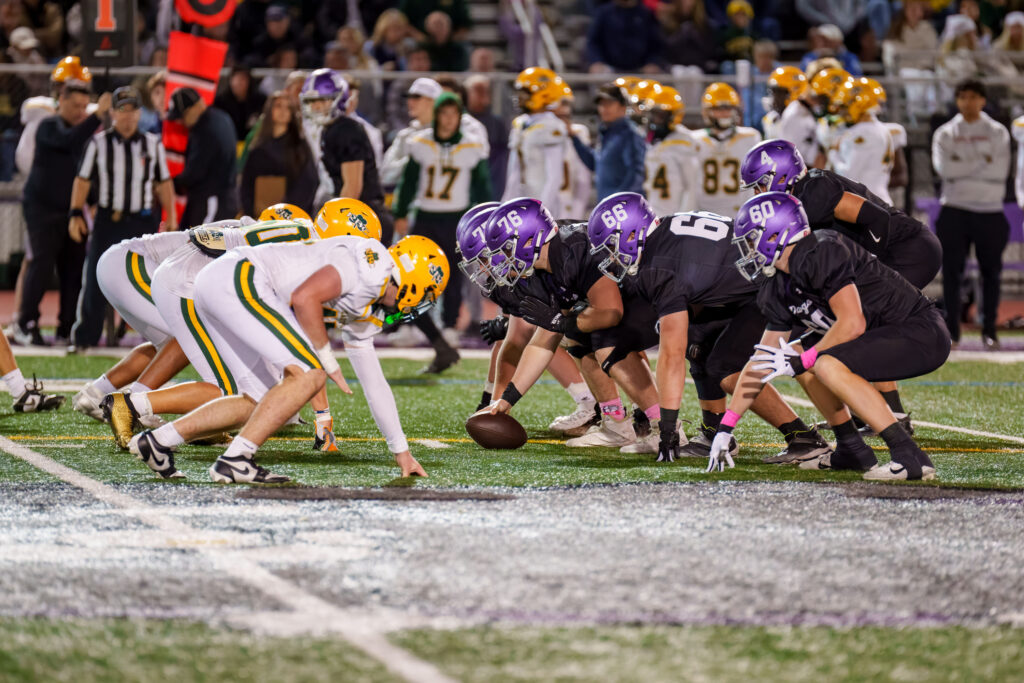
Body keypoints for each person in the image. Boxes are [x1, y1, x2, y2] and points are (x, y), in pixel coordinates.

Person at [130, 232, 449, 483]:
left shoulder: (369, 301)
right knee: (311, 374)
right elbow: (304, 298)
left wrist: (401, 451)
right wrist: (326, 359)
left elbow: (374, 384)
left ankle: (158, 441)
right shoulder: (374, 267)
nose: (419, 305)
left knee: (259, 397)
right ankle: (236, 460)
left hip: (223, 282)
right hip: (240, 278)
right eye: (426, 294)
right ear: (414, 279)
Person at [705, 192, 950, 481]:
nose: (747, 251)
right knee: (800, 351)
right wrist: (726, 427)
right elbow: (762, 359)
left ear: (773, 235)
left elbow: (852, 322)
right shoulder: (779, 285)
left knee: (821, 362)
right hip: (885, 335)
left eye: (749, 240)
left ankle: (909, 456)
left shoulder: (822, 249)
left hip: (919, 331)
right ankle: (851, 447)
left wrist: (803, 361)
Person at [585, 192, 832, 463]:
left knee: (726, 367)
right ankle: (713, 431)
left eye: (610, 246)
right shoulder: (662, 236)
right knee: (698, 340)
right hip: (752, 287)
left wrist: (668, 428)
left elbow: (670, 356)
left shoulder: (659, 266)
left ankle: (803, 438)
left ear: (632, 235)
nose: (609, 258)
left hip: (781, 289)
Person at [740, 138, 943, 430]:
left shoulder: (814, 190)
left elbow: (877, 219)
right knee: (853, 321)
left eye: (761, 184)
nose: (758, 193)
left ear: (782, 176)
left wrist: (871, 267)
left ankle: (891, 413)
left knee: (862, 319)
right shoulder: (796, 199)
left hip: (909, 249)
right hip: (896, 249)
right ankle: (883, 410)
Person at [456, 203, 599, 435]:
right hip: (583, 305)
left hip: (614, 298)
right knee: (542, 329)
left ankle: (602, 407)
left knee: (580, 332)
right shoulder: (513, 274)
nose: (482, 268)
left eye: (484, 258)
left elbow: (611, 310)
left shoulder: (551, 253)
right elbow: (511, 343)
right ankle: (597, 406)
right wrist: (494, 404)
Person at [69, 86, 177, 350]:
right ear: (113, 114)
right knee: (95, 278)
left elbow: (164, 183)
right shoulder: (98, 143)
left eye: (132, 111)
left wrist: (171, 216)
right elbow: (82, 180)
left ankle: (161, 338)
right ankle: (85, 339)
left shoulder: (152, 144)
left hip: (142, 222)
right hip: (109, 220)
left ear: (139, 114)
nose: (127, 117)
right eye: (122, 111)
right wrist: (75, 213)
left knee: (149, 279)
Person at [393, 93, 492, 371]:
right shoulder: (421, 143)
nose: (448, 120)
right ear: (436, 116)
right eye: (444, 114)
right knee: (412, 275)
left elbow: (482, 187)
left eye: (453, 114)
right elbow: (409, 181)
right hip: (424, 215)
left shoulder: (471, 147)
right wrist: (401, 212)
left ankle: (448, 327)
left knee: (451, 276)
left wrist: (483, 218)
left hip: (455, 218)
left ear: (459, 117)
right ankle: (412, 325)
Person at [16, 81, 108, 347]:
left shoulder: (84, 136)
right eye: (75, 105)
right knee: (41, 266)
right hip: (42, 210)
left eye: (84, 106)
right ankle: (26, 323)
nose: (80, 111)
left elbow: (86, 172)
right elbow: (68, 140)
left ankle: (67, 326)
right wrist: (96, 116)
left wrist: (90, 201)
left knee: (73, 269)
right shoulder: (47, 126)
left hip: (71, 213)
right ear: (61, 100)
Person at [932, 79, 1010, 350]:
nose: (968, 103)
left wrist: (961, 163)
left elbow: (999, 172)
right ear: (957, 100)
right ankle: (952, 333)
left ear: (983, 100)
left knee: (992, 273)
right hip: (954, 209)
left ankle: (990, 331)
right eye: (962, 97)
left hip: (990, 211)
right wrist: (981, 162)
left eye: (973, 97)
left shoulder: (997, 131)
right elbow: (944, 171)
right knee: (952, 274)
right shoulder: (945, 132)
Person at [167, 87, 239, 228]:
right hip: (224, 198)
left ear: (194, 107)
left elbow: (194, 173)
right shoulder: (222, 117)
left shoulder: (204, 130)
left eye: (182, 116)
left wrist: (169, 184)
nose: (181, 122)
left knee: (204, 246)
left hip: (212, 201)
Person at [689, 82, 761, 218]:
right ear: (706, 111)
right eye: (718, 109)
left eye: (728, 108)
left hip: (739, 211)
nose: (724, 113)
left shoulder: (750, 137)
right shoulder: (694, 140)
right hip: (704, 212)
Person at [240, 92, 317, 217]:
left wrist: (284, 212)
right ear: (269, 110)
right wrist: (251, 213)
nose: (283, 111)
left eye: (287, 107)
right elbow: (246, 185)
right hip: (260, 217)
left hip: (291, 217)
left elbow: (308, 182)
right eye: (278, 106)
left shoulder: (300, 147)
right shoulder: (258, 148)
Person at [570, 83, 646, 203]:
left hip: (623, 209)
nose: (604, 109)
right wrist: (574, 138)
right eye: (601, 104)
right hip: (609, 207)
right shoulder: (607, 132)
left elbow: (636, 174)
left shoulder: (630, 134)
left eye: (609, 104)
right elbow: (594, 163)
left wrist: (619, 201)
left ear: (623, 106)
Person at [830, 78, 896, 205]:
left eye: (845, 106)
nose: (842, 112)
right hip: (878, 199)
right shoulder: (882, 129)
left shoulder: (861, 133)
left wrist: (833, 153)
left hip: (865, 204)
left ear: (859, 104)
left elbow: (848, 174)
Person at [639, 85, 698, 215]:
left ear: (673, 116)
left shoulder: (684, 140)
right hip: (650, 210)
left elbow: (692, 186)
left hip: (672, 213)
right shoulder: (648, 139)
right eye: (653, 114)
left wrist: (683, 217)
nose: (655, 119)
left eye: (661, 115)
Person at [380, 77, 440, 189]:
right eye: (409, 97)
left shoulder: (448, 135)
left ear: (433, 101)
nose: (410, 101)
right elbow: (386, 174)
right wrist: (414, 160)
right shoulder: (405, 136)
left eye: (417, 97)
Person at [585, 0, 663, 74]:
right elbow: (593, 41)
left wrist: (652, 62)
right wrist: (596, 61)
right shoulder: (603, 12)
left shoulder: (646, 13)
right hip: (609, 67)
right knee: (599, 74)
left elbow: (655, 44)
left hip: (641, 68)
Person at [465, 74, 509, 198]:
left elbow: (501, 163)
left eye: (486, 91)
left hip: (491, 185)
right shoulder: (458, 121)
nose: (483, 95)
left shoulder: (497, 124)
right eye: (478, 91)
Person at [213, 65, 266, 141]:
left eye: (243, 80)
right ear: (231, 81)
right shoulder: (220, 101)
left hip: (253, 141)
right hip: (228, 140)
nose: (239, 83)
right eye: (236, 79)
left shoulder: (260, 100)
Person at [799, 23, 863, 76]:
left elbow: (855, 76)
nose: (823, 43)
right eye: (821, 39)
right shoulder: (810, 57)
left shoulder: (849, 57)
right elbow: (804, 76)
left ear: (838, 41)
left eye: (827, 39)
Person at [762, 66, 807, 139]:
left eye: (777, 93)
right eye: (772, 92)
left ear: (792, 94)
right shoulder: (771, 119)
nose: (773, 98)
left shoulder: (804, 120)